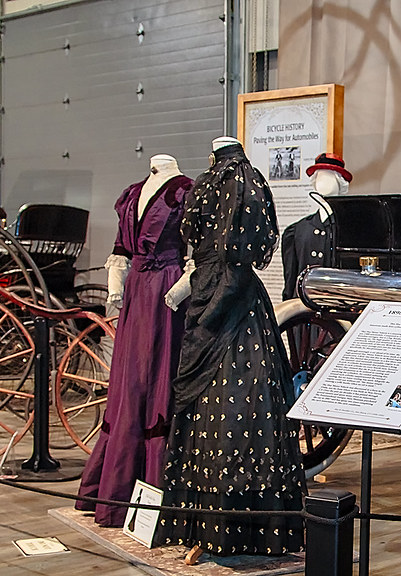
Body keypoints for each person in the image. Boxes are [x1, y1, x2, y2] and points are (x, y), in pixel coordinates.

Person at [160, 137, 305, 556]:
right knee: (231, 410)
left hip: (232, 304)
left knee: (232, 413)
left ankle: (222, 526)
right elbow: (225, 253)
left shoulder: (230, 181)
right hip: (229, 300)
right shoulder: (238, 181)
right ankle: (229, 529)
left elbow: (225, 255)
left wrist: (205, 297)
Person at [76, 154, 192, 527]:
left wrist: (177, 291)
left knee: (160, 377)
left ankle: (157, 489)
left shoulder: (187, 191)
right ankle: (113, 493)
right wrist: (115, 289)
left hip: (168, 292)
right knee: (130, 382)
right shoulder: (131, 194)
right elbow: (120, 251)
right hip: (136, 294)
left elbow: (195, 255)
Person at [280, 152, 352, 300]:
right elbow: (290, 283)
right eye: (320, 176)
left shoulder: (350, 230)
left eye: (330, 177)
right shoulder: (297, 231)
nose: (323, 182)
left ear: (340, 182)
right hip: (305, 312)